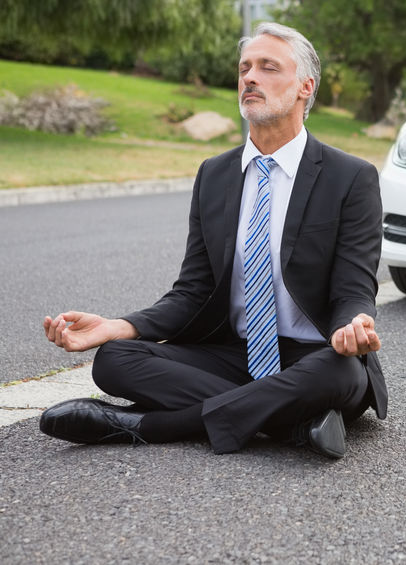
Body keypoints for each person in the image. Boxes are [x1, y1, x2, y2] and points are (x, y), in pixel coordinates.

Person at [38, 22, 386, 459]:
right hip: (232, 354)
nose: (250, 78)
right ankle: (291, 420)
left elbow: (354, 287)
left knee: (343, 376)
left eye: (267, 67)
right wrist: (118, 326)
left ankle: (148, 425)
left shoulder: (351, 177)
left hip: (312, 354)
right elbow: (194, 290)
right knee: (115, 359)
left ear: (304, 87)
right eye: (244, 69)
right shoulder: (215, 174)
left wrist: (351, 327)